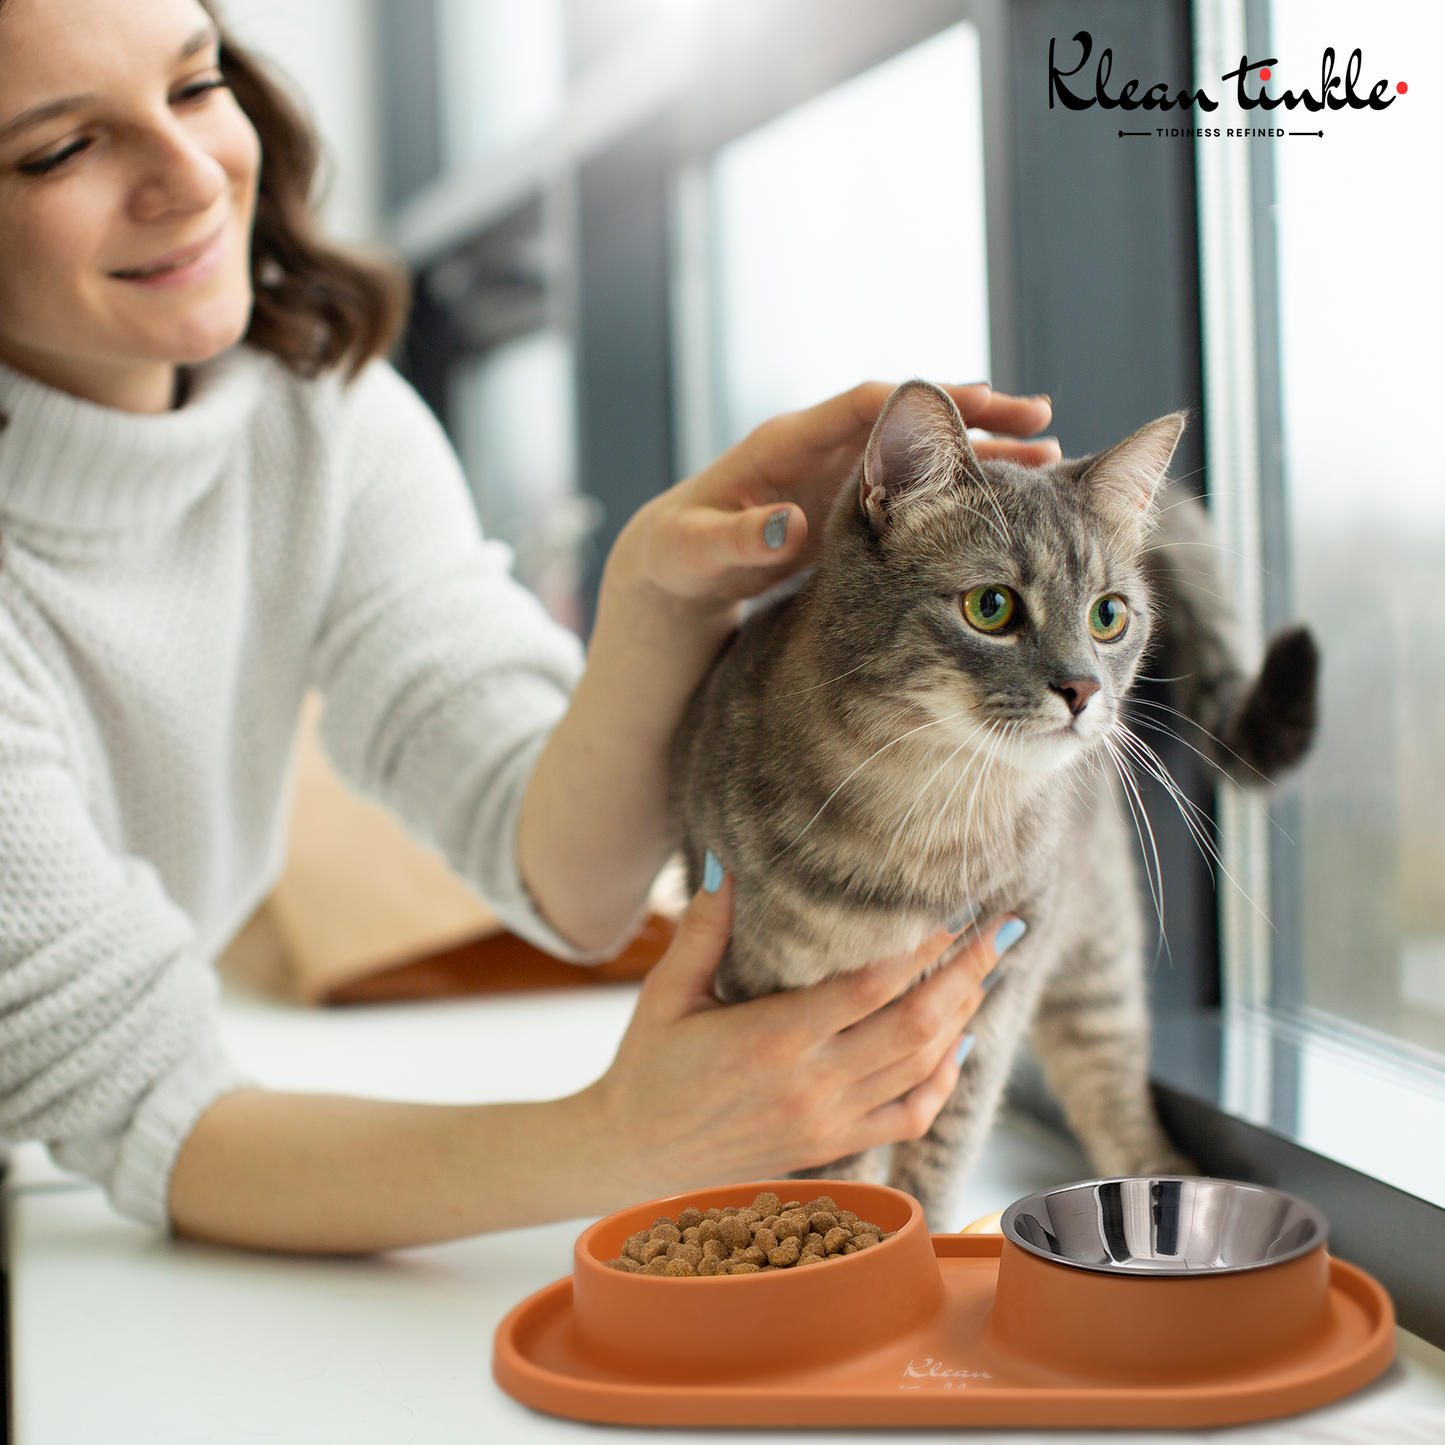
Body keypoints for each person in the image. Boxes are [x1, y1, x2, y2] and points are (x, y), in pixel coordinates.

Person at [0, 0, 1059, 1253]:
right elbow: (154, 1113)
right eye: (60, 150)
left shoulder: (318, 418)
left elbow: (564, 875)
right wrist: (625, 1137)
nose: (189, 177)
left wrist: (657, 603)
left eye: (194, 85)